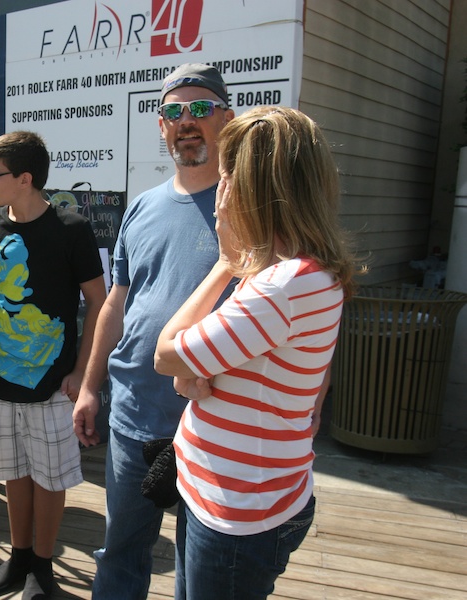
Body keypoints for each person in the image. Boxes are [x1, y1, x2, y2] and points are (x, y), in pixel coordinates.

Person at [153, 106, 357, 599]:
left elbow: (166, 354)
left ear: (252, 188)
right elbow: (213, 366)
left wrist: (225, 263)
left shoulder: (281, 286)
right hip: (249, 494)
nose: (220, 192)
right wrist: (196, 374)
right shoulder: (306, 274)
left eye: (227, 177)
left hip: (236, 513)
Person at [71, 63, 234, 598]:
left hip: (214, 426)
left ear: (226, 120)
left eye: (200, 109)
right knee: (121, 551)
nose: (186, 122)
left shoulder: (253, 206)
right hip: (133, 415)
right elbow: (115, 303)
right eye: (172, 112)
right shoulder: (141, 206)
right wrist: (92, 388)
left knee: (198, 575)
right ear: (161, 126)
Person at [0, 131, 107, 599]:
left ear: (25, 179)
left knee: (50, 477)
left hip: (53, 386)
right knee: (13, 473)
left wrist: (82, 374)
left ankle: (42, 568)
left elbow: (99, 303)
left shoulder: (71, 230)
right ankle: (20, 557)